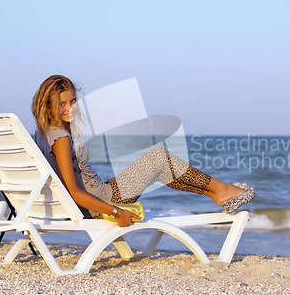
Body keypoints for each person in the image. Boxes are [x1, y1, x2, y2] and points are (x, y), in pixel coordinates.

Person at [31, 75, 255, 227]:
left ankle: (217, 194)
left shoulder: (43, 132)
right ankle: (222, 190)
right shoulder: (59, 137)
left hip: (97, 195)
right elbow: (74, 192)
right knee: (158, 156)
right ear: (47, 105)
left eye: (72, 101)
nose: (70, 108)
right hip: (99, 202)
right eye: (62, 104)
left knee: (162, 167)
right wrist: (116, 212)